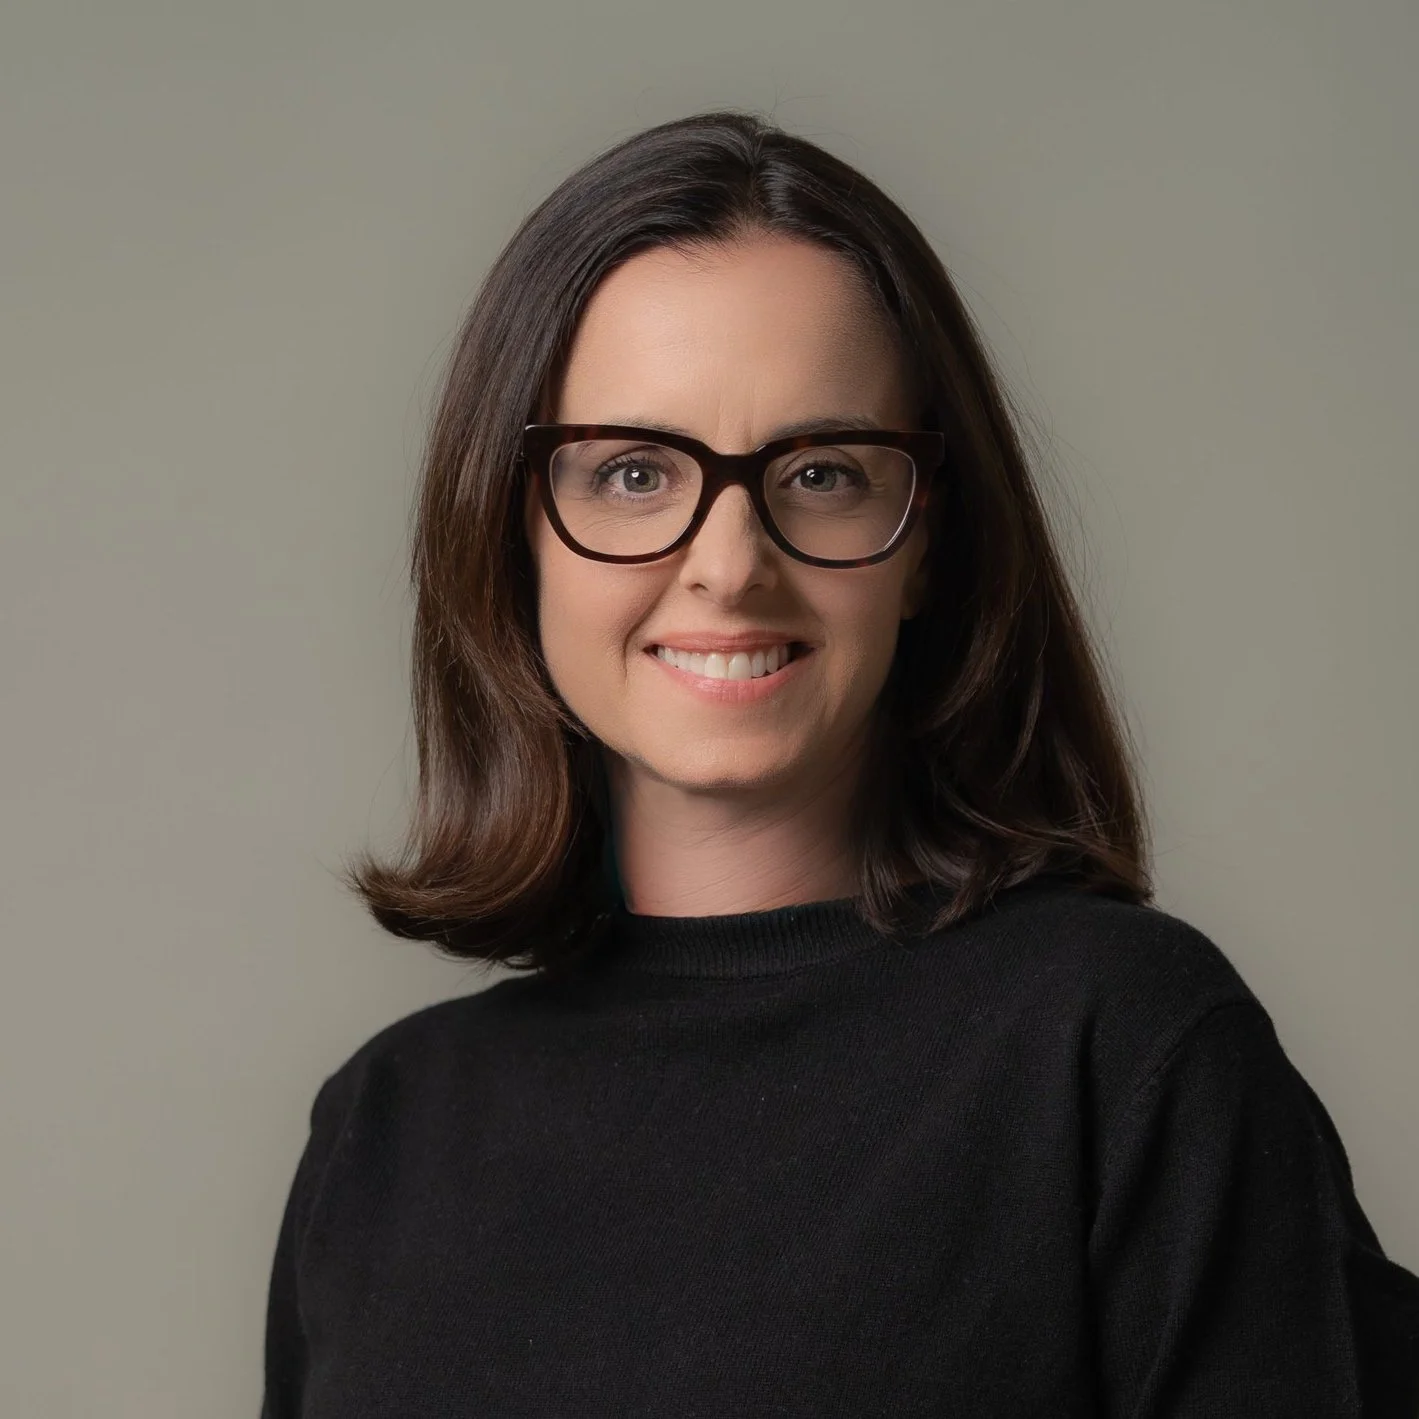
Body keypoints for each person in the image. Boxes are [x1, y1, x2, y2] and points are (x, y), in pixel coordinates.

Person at [259, 110, 1419, 1416]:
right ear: (512, 531)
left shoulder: (1118, 1045)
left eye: (820, 471)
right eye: (633, 471)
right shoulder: (385, 1126)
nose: (729, 560)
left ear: (927, 538)